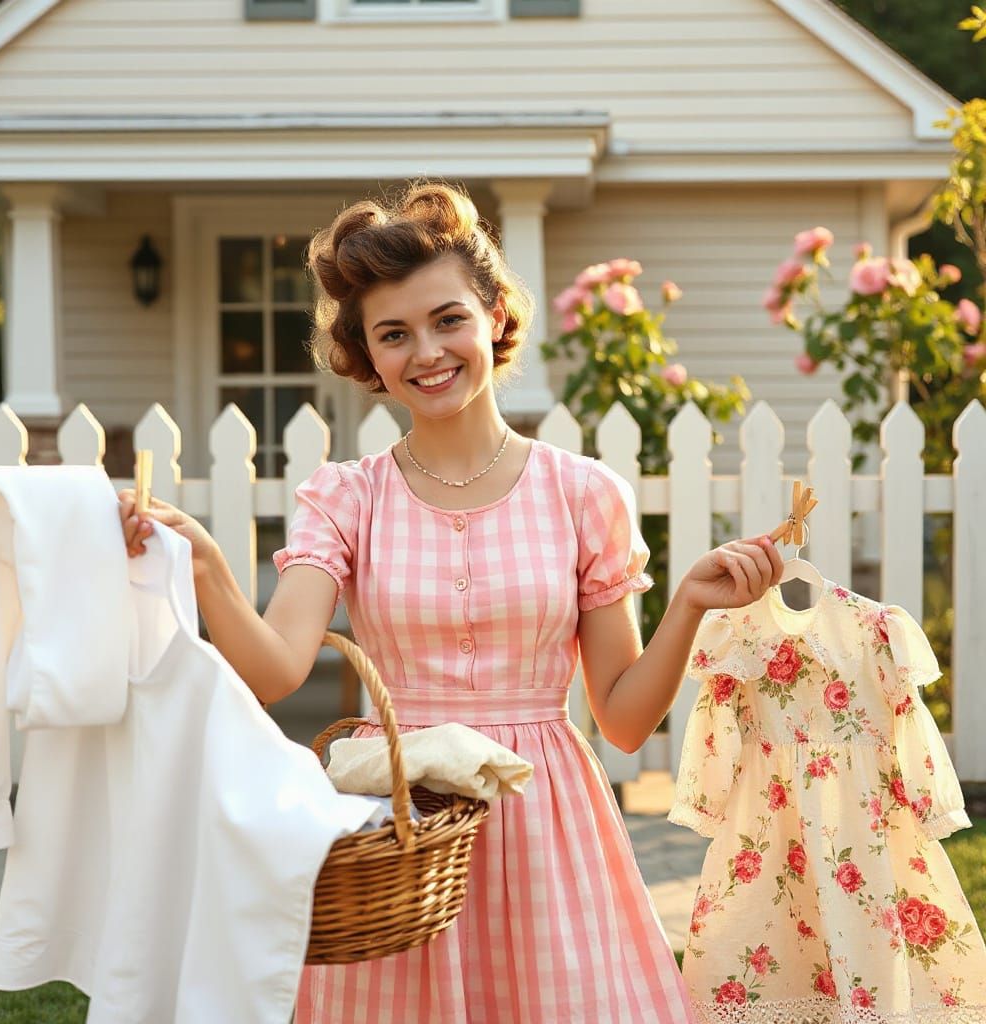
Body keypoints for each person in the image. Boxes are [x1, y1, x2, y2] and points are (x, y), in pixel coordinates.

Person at [119, 182, 784, 1023]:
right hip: (401, 825)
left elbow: (619, 720)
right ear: (366, 354)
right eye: (393, 334)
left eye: (448, 320)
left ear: (496, 314)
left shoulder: (583, 494)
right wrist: (209, 565)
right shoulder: (345, 497)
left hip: (543, 820)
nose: (426, 352)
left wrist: (689, 603)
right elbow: (279, 670)